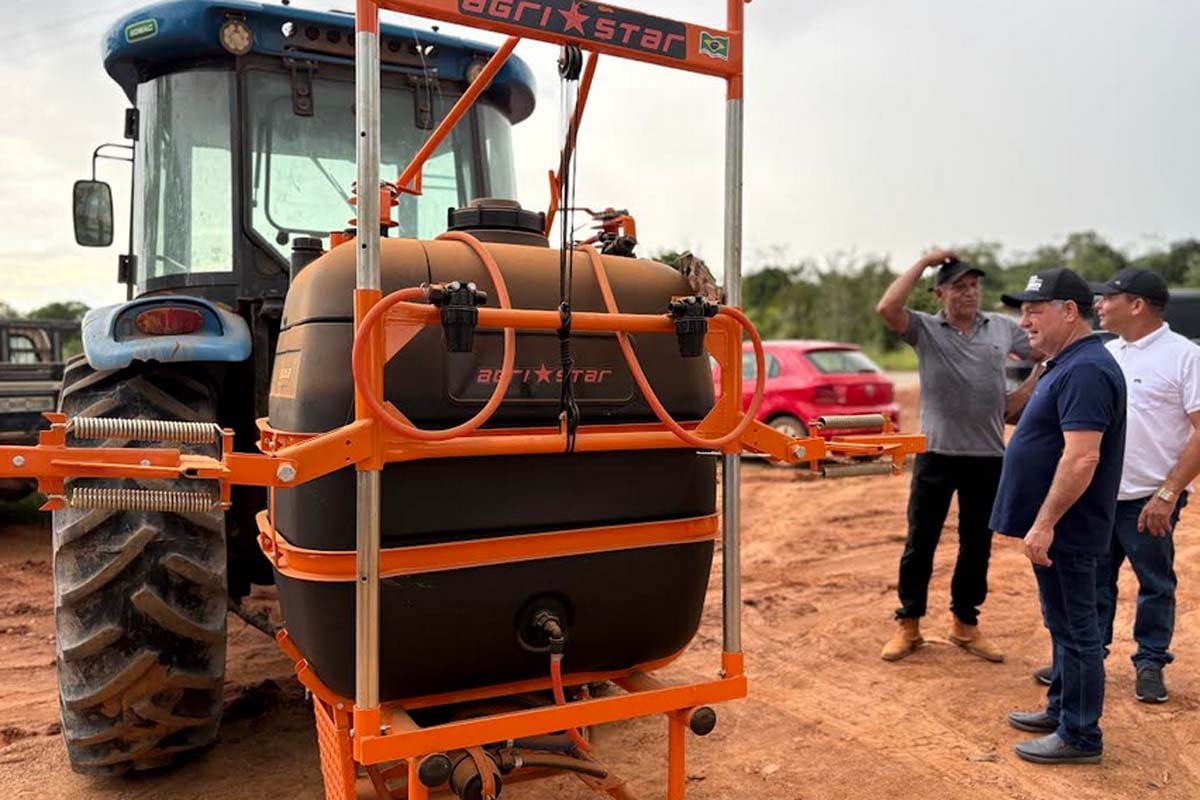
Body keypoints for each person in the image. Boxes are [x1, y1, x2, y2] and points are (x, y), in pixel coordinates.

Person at [1030, 268, 1200, 703]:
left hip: (1149, 499)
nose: (1100, 305)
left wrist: (1169, 492)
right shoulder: (1109, 354)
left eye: (1108, 297)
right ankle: (1087, 661)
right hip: (1099, 496)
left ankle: (1150, 662)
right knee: (1093, 582)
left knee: (1154, 582)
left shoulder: (1184, 356)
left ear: (1137, 304)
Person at [993, 268, 1126, 765]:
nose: (1024, 320)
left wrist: (1045, 522)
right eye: (1022, 309)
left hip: (1069, 528)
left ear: (1070, 311)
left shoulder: (1087, 369)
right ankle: (1062, 710)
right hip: (1059, 527)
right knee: (1063, 624)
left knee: (1078, 630)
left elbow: (1082, 457)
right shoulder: (1067, 362)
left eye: (1034, 309)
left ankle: (1081, 736)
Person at [875, 250, 1035, 662]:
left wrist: (1032, 384)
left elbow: (1042, 347)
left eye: (974, 285)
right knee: (920, 543)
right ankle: (909, 625)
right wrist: (925, 259)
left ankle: (965, 625)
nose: (970, 293)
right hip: (936, 455)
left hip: (987, 457)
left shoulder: (1001, 328)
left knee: (976, 544)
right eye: (960, 286)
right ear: (940, 293)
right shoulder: (926, 330)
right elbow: (887, 307)